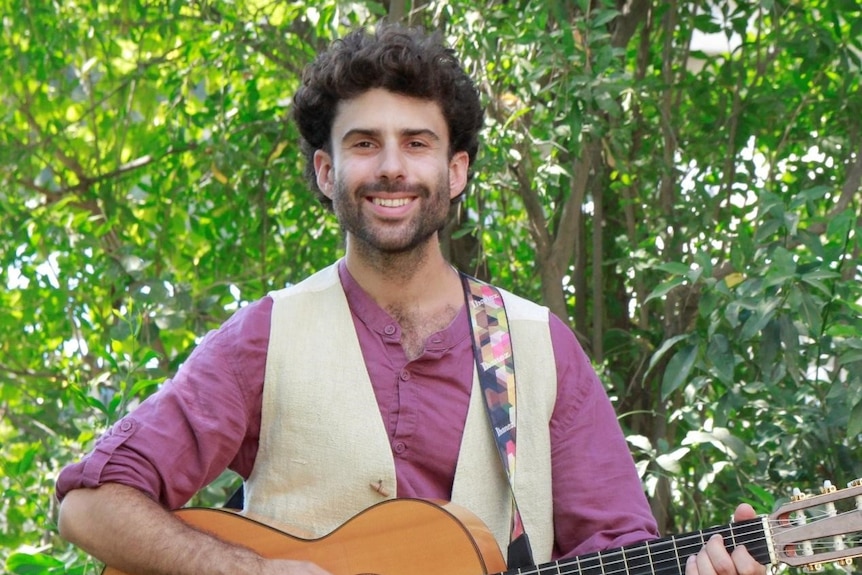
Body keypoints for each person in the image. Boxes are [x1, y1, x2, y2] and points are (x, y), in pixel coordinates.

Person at [56, 23, 767, 575]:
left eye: (417, 142)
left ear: (455, 171)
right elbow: (89, 503)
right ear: (326, 169)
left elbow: (618, 545)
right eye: (365, 143)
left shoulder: (540, 344)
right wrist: (247, 566)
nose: (391, 166)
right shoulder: (265, 336)